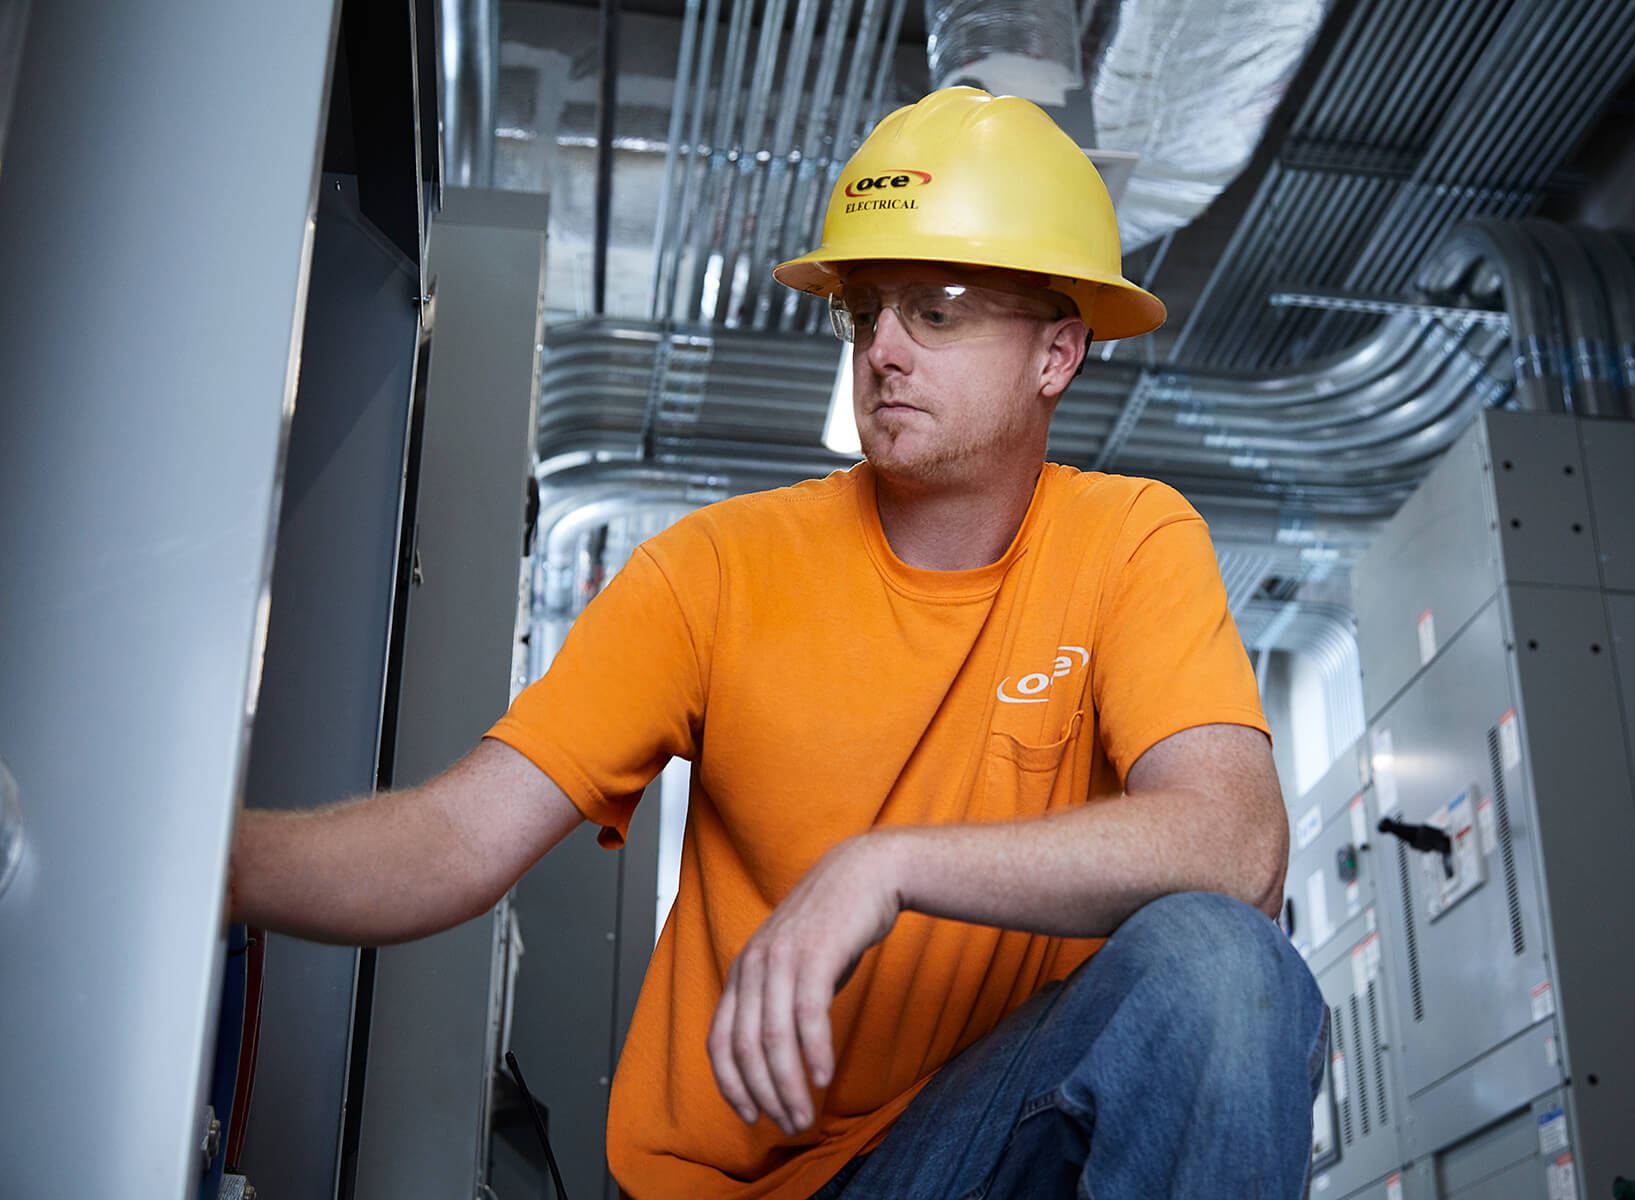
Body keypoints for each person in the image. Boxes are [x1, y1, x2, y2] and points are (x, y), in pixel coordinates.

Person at [232, 86, 1325, 1198]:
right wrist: (211, 865)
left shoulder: (1129, 542)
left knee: (1222, 968)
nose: (884, 350)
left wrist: (885, 866)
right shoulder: (713, 571)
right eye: (866, 310)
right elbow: (458, 839)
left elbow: (1238, 847)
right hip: (729, 1186)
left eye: (938, 309)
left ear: (1057, 354)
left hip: (975, 1144)